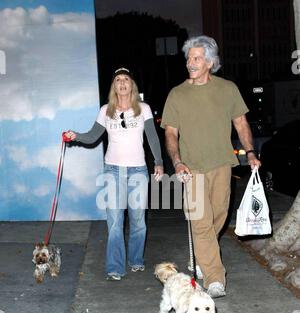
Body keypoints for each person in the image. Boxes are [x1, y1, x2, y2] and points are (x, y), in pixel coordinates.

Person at [161, 35, 261, 298]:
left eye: (196, 58)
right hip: (191, 169)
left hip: (222, 164)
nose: (190, 63)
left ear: (210, 62)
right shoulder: (177, 94)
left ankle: (201, 257)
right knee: (201, 222)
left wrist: (250, 152)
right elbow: (171, 133)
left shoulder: (227, 89)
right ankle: (215, 278)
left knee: (218, 215)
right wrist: (177, 161)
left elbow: (241, 123)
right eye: (188, 58)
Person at [64, 67, 164, 280]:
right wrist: (76, 136)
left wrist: (159, 162)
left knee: (138, 221)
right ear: (114, 86)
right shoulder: (105, 110)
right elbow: (92, 137)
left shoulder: (143, 109)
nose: (122, 83)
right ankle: (115, 267)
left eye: (126, 79)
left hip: (138, 170)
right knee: (115, 222)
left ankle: (136, 260)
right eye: (118, 79)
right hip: (112, 171)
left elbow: (153, 138)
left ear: (132, 84)